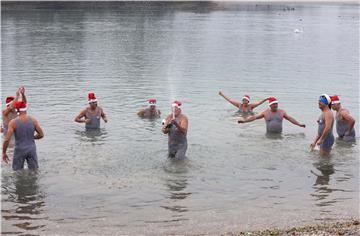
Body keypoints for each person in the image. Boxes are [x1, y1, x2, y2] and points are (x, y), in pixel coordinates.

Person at [2, 101, 44, 171]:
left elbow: (7, 140)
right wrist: (32, 137)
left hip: (19, 150)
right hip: (32, 149)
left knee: (16, 172)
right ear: (25, 109)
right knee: (34, 171)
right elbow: (41, 134)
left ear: (17, 110)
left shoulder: (13, 122)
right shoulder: (33, 120)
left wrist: (4, 152)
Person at [238, 97, 306, 133]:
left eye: (276, 104)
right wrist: (244, 121)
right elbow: (254, 117)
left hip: (279, 135)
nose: (275, 105)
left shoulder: (282, 112)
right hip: (269, 135)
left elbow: (290, 118)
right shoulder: (265, 112)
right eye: (274, 104)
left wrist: (299, 124)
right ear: (270, 105)